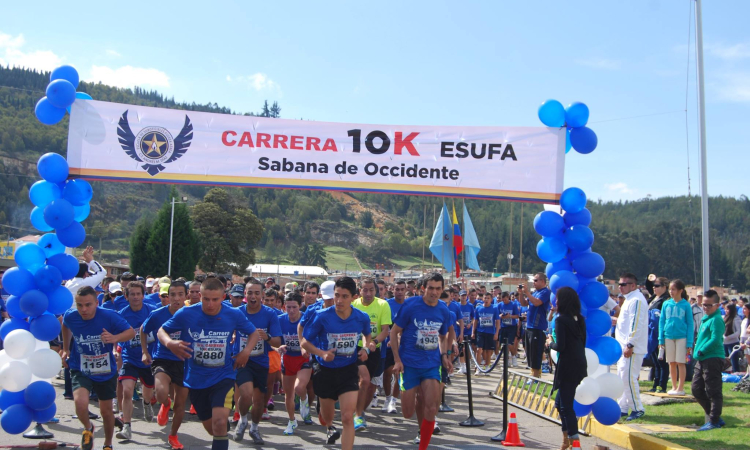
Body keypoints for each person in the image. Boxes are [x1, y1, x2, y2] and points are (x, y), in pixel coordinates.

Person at [158, 277, 260, 450]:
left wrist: (246, 352)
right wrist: (170, 344)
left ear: (223, 298)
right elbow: (162, 331)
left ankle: (222, 426)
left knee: (219, 423)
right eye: (206, 299)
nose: (210, 304)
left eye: (215, 299)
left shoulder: (233, 314)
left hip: (223, 376)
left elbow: (254, 334)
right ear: (199, 295)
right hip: (196, 380)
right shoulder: (187, 313)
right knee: (211, 427)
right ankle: (220, 429)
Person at [61, 286, 135, 450]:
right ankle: (88, 428)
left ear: (97, 302)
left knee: (106, 412)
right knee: (80, 403)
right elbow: (65, 325)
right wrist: (66, 348)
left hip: (105, 369)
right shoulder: (71, 316)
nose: (84, 309)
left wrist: (114, 338)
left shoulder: (109, 316)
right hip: (80, 367)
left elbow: (130, 332)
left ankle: (108, 444)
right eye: (80, 305)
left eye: (88, 305)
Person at [302, 277, 372, 450]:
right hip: (325, 371)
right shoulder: (322, 316)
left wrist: (365, 349)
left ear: (354, 297)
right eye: (336, 295)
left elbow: (367, 335)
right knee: (327, 418)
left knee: (348, 417)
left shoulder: (361, 317)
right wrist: (321, 353)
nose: (339, 301)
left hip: (348, 369)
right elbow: (305, 342)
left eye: (344, 296)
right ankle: (326, 419)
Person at [389, 272, 453, 450]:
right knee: (407, 413)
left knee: (432, 407)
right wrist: (397, 360)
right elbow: (394, 333)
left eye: (438, 288)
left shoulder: (443, 309)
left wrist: (445, 357)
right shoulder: (410, 305)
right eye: (431, 288)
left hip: (431, 364)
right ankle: (414, 395)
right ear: (423, 288)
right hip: (409, 364)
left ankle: (423, 446)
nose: (434, 292)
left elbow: (442, 337)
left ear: (442, 289)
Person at [141, 281, 190, 450]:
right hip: (162, 358)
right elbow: (143, 330)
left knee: (180, 405)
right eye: (173, 295)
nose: (176, 298)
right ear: (167, 297)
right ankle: (164, 403)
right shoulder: (157, 314)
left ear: (186, 296)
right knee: (162, 392)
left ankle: (173, 435)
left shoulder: (192, 314)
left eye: (180, 294)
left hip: (185, 361)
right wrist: (145, 352)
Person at [233, 279, 282, 444]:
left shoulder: (270, 314)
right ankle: (242, 420)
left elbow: (277, 342)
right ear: (245, 295)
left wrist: (266, 337)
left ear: (262, 294)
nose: (253, 296)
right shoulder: (237, 312)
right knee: (246, 393)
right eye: (249, 293)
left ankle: (254, 427)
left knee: (259, 400)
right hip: (241, 361)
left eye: (256, 293)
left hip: (261, 361)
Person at [115, 281, 156, 440]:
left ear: (143, 295)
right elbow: (115, 335)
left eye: (138, 294)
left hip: (149, 359)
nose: (136, 297)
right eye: (132, 294)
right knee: (127, 390)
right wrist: (115, 350)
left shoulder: (152, 311)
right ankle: (127, 426)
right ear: (126, 296)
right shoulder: (122, 314)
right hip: (129, 358)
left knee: (148, 390)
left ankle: (146, 404)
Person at [351, 277, 392, 430]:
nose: (368, 293)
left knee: (368, 385)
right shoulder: (353, 305)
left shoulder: (383, 305)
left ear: (376, 291)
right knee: (363, 380)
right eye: (365, 290)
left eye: (371, 290)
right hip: (354, 348)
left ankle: (359, 412)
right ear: (360, 290)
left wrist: (374, 343)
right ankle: (356, 414)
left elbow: (385, 331)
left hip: (374, 350)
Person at [550, 287, 586, 450]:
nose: (555, 301)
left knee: (566, 406)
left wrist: (549, 343)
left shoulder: (560, 320)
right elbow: (582, 343)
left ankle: (574, 441)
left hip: (567, 367)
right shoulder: (580, 319)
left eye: (557, 298)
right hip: (578, 365)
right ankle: (566, 440)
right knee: (559, 403)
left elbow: (560, 346)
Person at [615, 273, 649, 421]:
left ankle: (637, 408)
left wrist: (630, 344)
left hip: (632, 348)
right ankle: (623, 407)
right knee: (622, 378)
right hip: (624, 347)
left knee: (629, 378)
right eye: (619, 284)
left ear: (633, 285)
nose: (620, 287)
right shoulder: (629, 300)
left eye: (623, 284)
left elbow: (637, 324)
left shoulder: (637, 300)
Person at [278, 292, 312, 433]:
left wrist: (307, 347)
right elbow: (274, 341)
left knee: (299, 388)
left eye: (294, 307)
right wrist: (278, 347)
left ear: (300, 306)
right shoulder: (279, 320)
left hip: (303, 358)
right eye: (288, 307)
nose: (291, 311)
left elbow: (314, 337)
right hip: (287, 359)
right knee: (288, 393)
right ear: (284, 306)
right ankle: (292, 421)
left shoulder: (306, 319)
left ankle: (304, 400)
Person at [692, 290, 727, 431]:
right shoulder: (706, 319)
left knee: (713, 391)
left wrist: (702, 350)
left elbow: (715, 339)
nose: (705, 307)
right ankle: (715, 417)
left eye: (708, 305)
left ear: (717, 305)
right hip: (702, 358)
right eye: (703, 305)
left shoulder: (716, 319)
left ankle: (714, 420)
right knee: (696, 389)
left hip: (712, 358)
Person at [658, 280, 694, 396]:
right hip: (668, 336)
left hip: (682, 337)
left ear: (680, 291)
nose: (671, 292)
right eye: (670, 289)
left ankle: (680, 387)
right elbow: (662, 321)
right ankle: (673, 386)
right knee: (671, 362)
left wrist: (689, 341)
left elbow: (690, 324)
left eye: (673, 289)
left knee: (680, 362)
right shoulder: (666, 304)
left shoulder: (686, 305)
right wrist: (661, 338)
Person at [517, 273, 551, 379]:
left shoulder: (545, 292)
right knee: (530, 352)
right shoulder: (535, 292)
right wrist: (521, 294)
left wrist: (527, 292)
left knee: (536, 353)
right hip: (530, 326)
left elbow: (537, 303)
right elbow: (523, 303)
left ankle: (536, 376)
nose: (534, 283)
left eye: (536, 280)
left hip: (538, 327)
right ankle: (533, 374)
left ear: (542, 281)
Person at [647, 277, 670, 393]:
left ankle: (662, 385)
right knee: (655, 361)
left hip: (659, 333)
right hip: (651, 333)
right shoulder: (653, 299)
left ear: (664, 287)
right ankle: (655, 384)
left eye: (657, 286)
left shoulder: (664, 301)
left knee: (662, 361)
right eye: (653, 286)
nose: (654, 288)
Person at [472, 292, 499, 374]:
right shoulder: (478, 308)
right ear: (482, 299)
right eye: (485, 298)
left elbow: (497, 321)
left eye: (488, 298)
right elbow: (475, 321)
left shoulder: (494, 308)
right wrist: (473, 332)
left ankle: (487, 367)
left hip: (490, 332)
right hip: (480, 331)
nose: (486, 300)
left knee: (488, 351)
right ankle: (478, 367)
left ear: (491, 299)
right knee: (479, 349)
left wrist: (496, 333)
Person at [722, 299, 742, 373]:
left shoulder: (736, 318)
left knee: (734, 360)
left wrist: (728, 337)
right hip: (724, 343)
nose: (726, 311)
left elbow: (738, 332)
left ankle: (736, 373)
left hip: (733, 343)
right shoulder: (724, 318)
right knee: (725, 361)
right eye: (725, 309)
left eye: (728, 309)